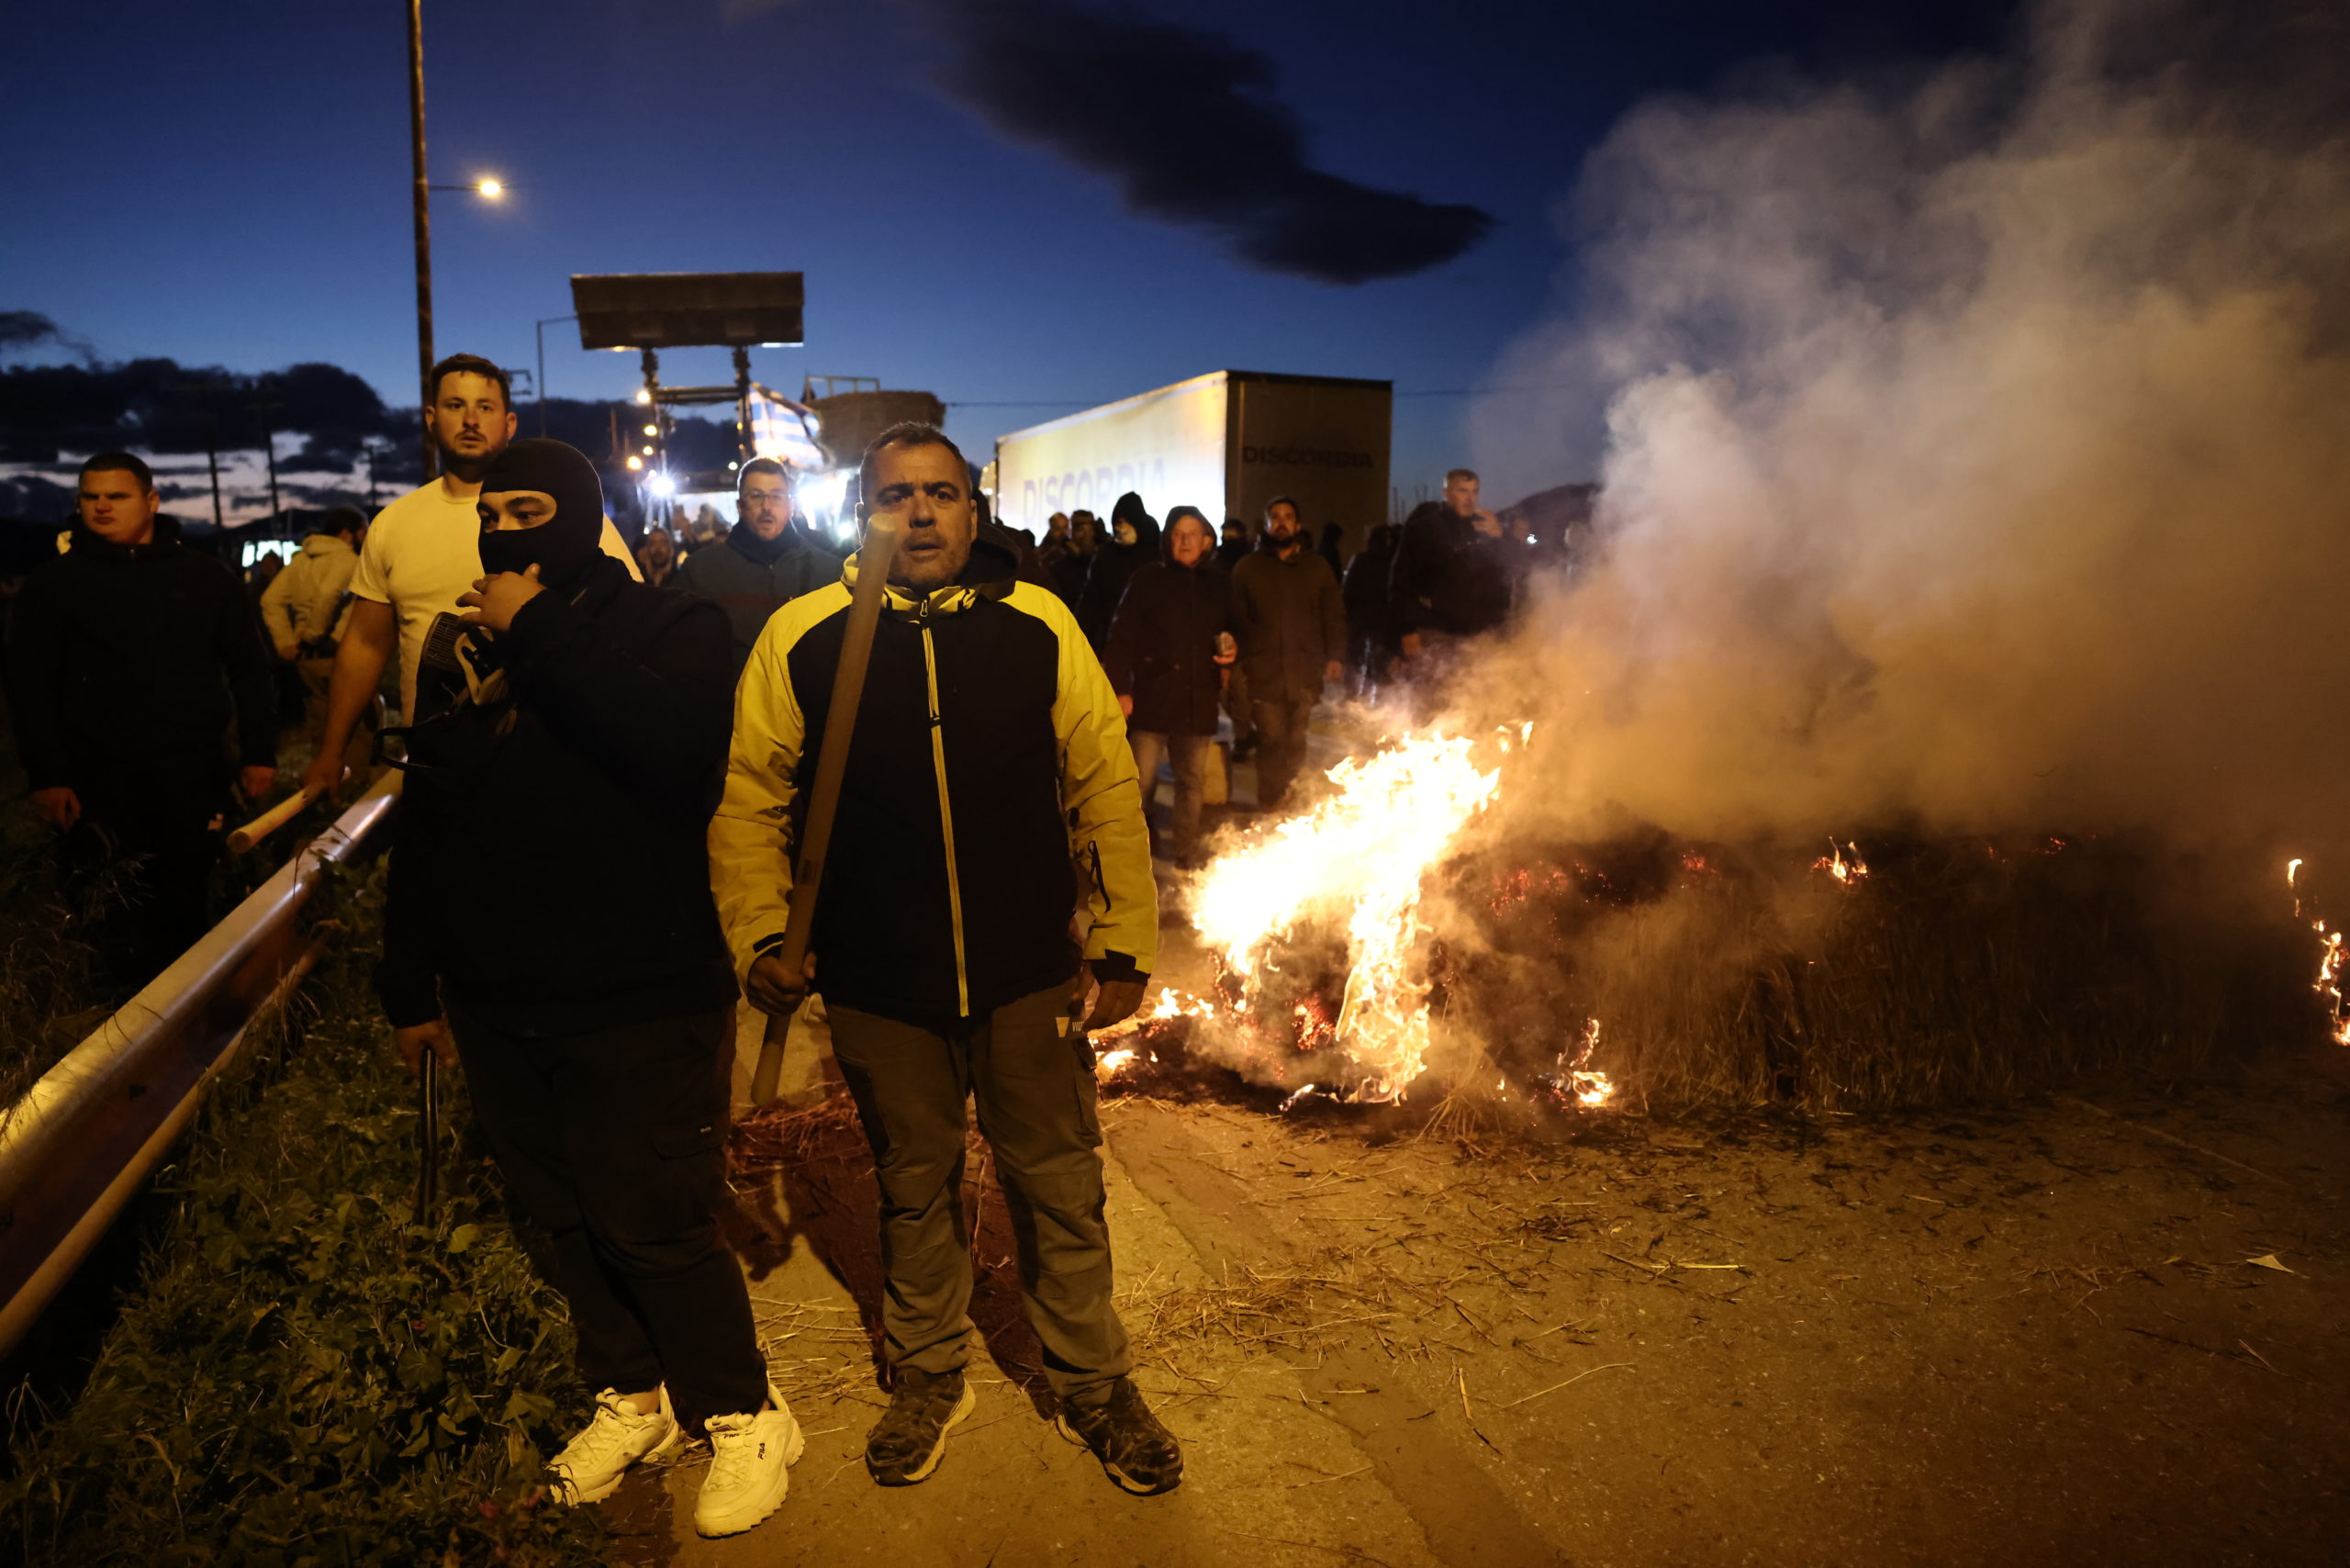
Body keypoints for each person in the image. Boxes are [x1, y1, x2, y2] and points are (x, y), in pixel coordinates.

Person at [711, 421, 1181, 1496]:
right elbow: (750, 802)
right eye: (894, 496)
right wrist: (759, 935)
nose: (918, 513)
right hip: (881, 985)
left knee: (1058, 1188)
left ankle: (1095, 1381)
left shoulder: (1036, 622)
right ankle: (928, 1372)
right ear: (861, 511)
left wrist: (1121, 938)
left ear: (973, 510)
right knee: (913, 1189)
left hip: (1024, 974)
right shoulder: (806, 636)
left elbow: (1104, 785)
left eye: (939, 494)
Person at [375, 439, 798, 1540]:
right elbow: (429, 814)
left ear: (579, 516)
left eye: (533, 509)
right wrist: (406, 977)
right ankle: (633, 1396)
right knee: (564, 1217)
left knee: (653, 1217)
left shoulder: (673, 625)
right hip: (497, 993)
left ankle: (742, 1408)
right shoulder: (455, 649)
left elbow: (667, 751)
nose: (508, 531)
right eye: (493, 512)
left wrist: (536, 628)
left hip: (638, 990)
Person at [299, 354, 640, 800]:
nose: (471, 419)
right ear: (431, 418)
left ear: (510, 422)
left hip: (552, 760)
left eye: (486, 407)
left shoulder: (563, 517)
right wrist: (332, 750)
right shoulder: (394, 524)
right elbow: (365, 643)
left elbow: (629, 617)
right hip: (435, 764)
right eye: (456, 405)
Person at [6, 453, 276, 986]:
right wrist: (47, 775)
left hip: (191, 775)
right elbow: (28, 687)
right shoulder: (52, 586)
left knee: (186, 903)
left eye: (117, 495)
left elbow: (251, 669)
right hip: (94, 784)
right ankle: (115, 1029)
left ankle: (192, 1024)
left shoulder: (205, 579)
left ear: (151, 501)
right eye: (90, 496)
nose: (102, 506)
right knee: (105, 914)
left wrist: (260, 753)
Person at [1101, 505, 1234, 868]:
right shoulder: (1147, 579)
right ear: (1167, 540)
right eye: (1177, 534)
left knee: (1191, 784)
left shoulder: (1219, 584)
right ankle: (1139, 845)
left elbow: (1237, 631)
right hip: (1151, 699)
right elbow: (1121, 637)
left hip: (1196, 700)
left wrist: (1233, 651)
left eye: (1192, 534)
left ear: (1207, 541)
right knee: (1140, 782)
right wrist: (1120, 689)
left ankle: (1186, 854)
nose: (1184, 541)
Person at [1229, 495, 1345, 812]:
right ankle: (1269, 803)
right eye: (1275, 517)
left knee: (1296, 742)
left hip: (1304, 670)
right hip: (1263, 672)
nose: (1281, 522)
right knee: (1270, 739)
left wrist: (1335, 655)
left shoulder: (1317, 567)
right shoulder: (1248, 568)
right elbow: (1235, 620)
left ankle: (1290, 803)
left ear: (1298, 525)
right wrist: (1239, 663)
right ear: (1266, 525)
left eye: (1288, 517)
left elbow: (1333, 615)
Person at [672, 459, 840, 673]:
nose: (767, 507)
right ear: (740, 506)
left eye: (777, 496)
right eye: (756, 496)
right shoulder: (700, 571)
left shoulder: (829, 572)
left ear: (790, 505)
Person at [1386, 469, 1515, 670]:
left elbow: (1506, 574)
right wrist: (1407, 628)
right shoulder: (1426, 528)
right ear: (1446, 493)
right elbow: (1401, 582)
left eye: (1475, 492)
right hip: (1436, 632)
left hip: (1480, 636)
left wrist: (1500, 539)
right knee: (1436, 694)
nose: (1470, 499)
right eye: (1462, 491)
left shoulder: (1485, 528)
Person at [260, 507, 364, 743]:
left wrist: (286, 642)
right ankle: (355, 779)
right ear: (348, 534)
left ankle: (321, 777)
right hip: (336, 653)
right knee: (357, 725)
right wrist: (311, 636)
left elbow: (270, 600)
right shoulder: (348, 559)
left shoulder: (301, 560)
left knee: (320, 721)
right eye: (362, 532)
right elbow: (328, 594)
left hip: (305, 659)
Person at [1076, 491, 1158, 649]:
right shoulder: (1106, 555)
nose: (1121, 528)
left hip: (1148, 639)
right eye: (1118, 523)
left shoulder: (1154, 552)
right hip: (1110, 637)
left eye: (1126, 522)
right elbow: (1090, 601)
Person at [1340, 519, 1402, 692]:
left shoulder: (1360, 560)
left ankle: (1357, 707)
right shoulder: (1397, 565)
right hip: (1387, 631)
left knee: (1359, 677)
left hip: (1362, 628)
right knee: (1384, 681)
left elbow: (1347, 595)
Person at [1049, 509, 1100, 608]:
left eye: (1089, 530)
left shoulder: (1102, 562)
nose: (1086, 536)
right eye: (1080, 530)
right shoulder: (1058, 565)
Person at [636, 523, 678, 588]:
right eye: (653, 543)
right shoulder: (639, 578)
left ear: (671, 549)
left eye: (663, 543)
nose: (658, 548)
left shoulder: (680, 578)